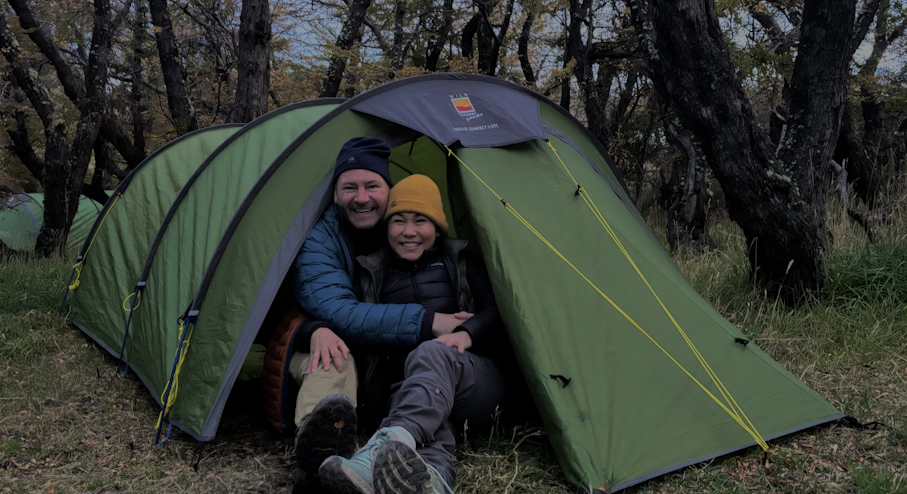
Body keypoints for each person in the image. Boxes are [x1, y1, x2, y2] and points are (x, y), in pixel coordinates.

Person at [290, 138, 471, 488]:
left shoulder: (403, 243)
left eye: (372, 186)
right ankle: (319, 461)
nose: (361, 197)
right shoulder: (319, 239)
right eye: (349, 188)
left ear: (389, 191)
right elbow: (338, 310)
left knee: (423, 377)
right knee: (334, 356)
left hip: (397, 362)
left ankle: (425, 474)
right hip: (317, 341)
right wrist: (314, 328)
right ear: (334, 195)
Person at [318, 174, 508, 494]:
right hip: (408, 388)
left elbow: (503, 313)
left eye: (420, 220)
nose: (408, 232)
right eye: (398, 221)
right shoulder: (372, 273)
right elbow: (349, 318)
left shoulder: (464, 263)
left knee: (431, 352)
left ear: (437, 227)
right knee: (424, 409)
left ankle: (381, 448)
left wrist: (467, 333)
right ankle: (431, 479)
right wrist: (317, 329)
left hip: (475, 381)